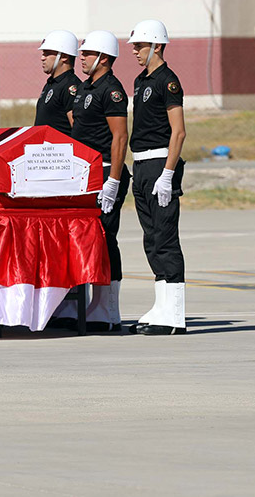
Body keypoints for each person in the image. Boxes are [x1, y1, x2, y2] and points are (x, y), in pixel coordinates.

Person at [66, 30, 130, 333]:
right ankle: (96, 303)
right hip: (86, 174)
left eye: (88, 54)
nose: (82, 57)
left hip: (105, 171)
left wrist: (113, 180)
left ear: (103, 58)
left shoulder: (111, 90)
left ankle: (109, 307)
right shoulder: (85, 88)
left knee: (106, 238)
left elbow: (119, 137)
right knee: (90, 239)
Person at [126, 20, 187, 335]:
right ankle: (161, 306)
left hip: (161, 163)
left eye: (139, 46)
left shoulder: (168, 81)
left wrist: (168, 174)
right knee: (151, 239)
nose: (135, 51)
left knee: (165, 237)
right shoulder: (140, 80)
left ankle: (175, 314)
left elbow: (178, 131)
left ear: (157, 46)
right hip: (141, 164)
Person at [34, 30, 81, 135]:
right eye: (43, 54)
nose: (42, 58)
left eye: (47, 54)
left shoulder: (70, 86)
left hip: (61, 150)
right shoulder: (51, 84)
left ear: (64, 56)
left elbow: (78, 129)